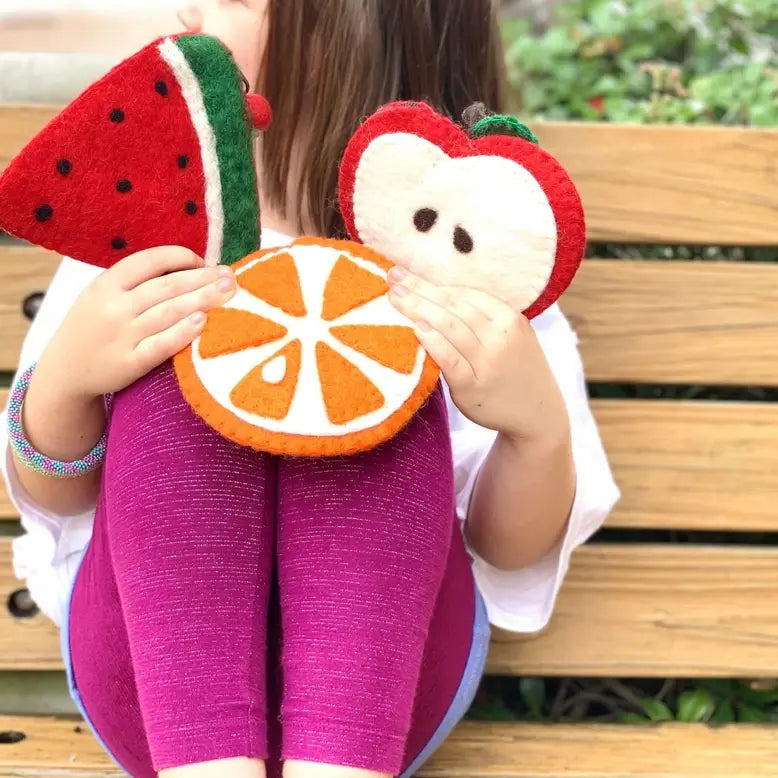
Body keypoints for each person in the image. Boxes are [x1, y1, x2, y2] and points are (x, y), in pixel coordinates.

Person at [1, 1, 620, 777]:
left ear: (353, 26)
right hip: (147, 687)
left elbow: (507, 546)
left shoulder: (470, 260)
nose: (191, 7)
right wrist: (64, 381)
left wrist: (536, 429)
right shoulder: (157, 226)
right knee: (191, 338)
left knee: (366, 368)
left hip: (388, 701)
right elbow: (57, 496)